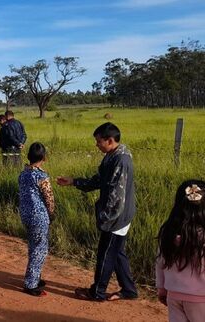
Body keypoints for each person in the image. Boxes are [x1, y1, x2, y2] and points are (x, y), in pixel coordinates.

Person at [56, 122, 138, 301]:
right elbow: (99, 181)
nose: (97, 145)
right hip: (117, 216)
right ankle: (129, 290)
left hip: (117, 217)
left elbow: (118, 196)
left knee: (106, 255)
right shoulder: (111, 156)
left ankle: (97, 292)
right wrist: (73, 181)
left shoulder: (121, 160)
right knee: (117, 253)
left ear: (110, 140)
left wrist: (106, 218)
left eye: (99, 141)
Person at [156, 180, 205, 322]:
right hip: (201, 299)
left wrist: (161, 288)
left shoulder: (168, 232)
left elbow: (160, 261)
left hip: (174, 295)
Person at [18, 142, 55, 297]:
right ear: (44, 158)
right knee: (40, 248)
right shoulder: (41, 176)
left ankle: (35, 276)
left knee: (34, 245)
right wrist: (52, 213)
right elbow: (49, 197)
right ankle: (31, 283)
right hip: (38, 215)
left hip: (26, 214)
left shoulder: (23, 174)